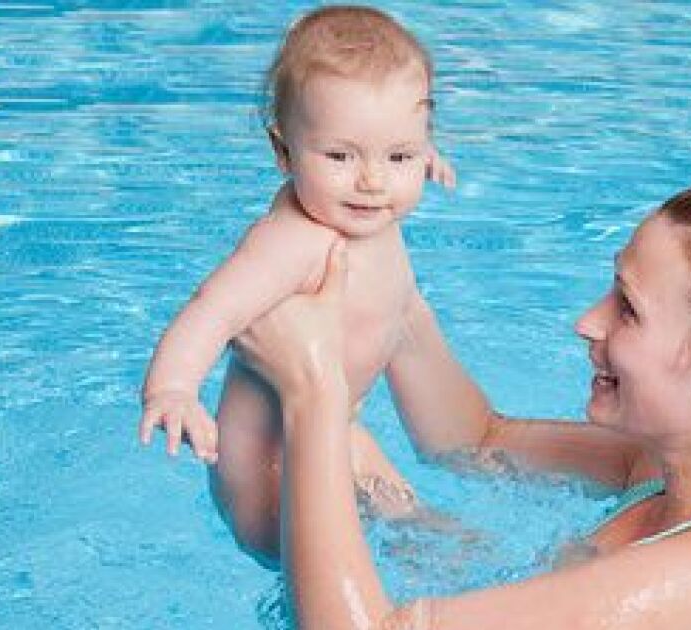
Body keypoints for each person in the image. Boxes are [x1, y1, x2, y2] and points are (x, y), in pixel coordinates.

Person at [235, 172, 691, 628]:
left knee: (323, 439)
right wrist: (387, 282)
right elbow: (474, 438)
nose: (587, 322)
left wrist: (315, 394)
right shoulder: (671, 465)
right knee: (342, 461)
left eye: (626, 310)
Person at [137, 5, 456, 560]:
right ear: (283, 152)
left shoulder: (362, 199)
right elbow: (211, 310)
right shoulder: (294, 242)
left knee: (426, 531)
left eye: (400, 155)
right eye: (340, 155)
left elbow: (377, 146)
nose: (373, 181)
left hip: (329, 429)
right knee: (331, 571)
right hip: (267, 471)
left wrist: (419, 159)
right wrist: (172, 390)